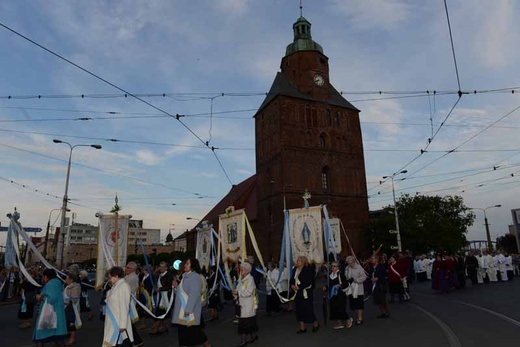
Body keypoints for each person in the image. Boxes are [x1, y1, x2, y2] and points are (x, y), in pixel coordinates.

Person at [172, 258, 212, 347]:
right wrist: (175, 287)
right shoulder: (184, 276)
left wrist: (188, 309)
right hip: (182, 309)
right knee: (184, 332)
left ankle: (207, 345)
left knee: (193, 332)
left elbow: (194, 294)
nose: (185, 265)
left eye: (187, 263)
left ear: (192, 266)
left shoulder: (195, 277)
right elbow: (181, 292)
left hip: (189, 311)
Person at [33, 269, 68, 346]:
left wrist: (40, 297)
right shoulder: (57, 283)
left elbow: (51, 299)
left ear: (46, 276)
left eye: (43, 276)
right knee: (57, 337)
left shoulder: (51, 284)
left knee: (43, 333)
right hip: (57, 312)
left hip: (50, 312)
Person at [102, 266, 134, 346]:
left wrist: (123, 325)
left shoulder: (124, 286)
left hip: (117, 321)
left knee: (110, 342)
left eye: (110, 277)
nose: (109, 279)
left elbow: (124, 306)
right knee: (114, 342)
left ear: (116, 276)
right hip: (112, 319)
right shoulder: (116, 286)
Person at [290, 256, 319, 333]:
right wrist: (292, 285)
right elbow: (292, 279)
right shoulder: (294, 269)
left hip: (306, 293)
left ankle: (315, 323)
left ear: (303, 262)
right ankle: (303, 327)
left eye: (299, 260)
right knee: (298, 310)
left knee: (308, 309)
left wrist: (299, 287)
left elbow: (309, 281)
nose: (297, 262)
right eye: (297, 260)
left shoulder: (307, 270)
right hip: (297, 293)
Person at [233, 262, 259, 347]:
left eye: (242, 269)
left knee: (245, 324)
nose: (241, 271)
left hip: (247, 305)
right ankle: (249, 338)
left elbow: (249, 292)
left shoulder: (250, 279)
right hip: (241, 304)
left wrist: (238, 293)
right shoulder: (241, 279)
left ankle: (244, 341)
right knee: (246, 324)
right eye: (240, 269)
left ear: (247, 271)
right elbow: (238, 289)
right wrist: (235, 293)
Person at [324, 261, 353, 330]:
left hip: (340, 295)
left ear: (338, 267)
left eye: (335, 266)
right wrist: (326, 288)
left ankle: (348, 319)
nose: (333, 267)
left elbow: (346, 284)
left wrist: (340, 285)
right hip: (332, 295)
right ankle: (339, 322)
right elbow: (329, 285)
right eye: (332, 266)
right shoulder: (330, 275)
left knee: (341, 308)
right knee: (334, 309)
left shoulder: (341, 274)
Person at [151, 261, 173, 335]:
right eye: (160, 266)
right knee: (161, 312)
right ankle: (164, 327)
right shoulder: (159, 275)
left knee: (161, 312)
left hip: (165, 297)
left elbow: (169, 286)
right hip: (160, 296)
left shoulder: (168, 275)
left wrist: (160, 289)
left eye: (163, 267)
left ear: (166, 268)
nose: (161, 268)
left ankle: (156, 328)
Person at [344, 255, 367, 325]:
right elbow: (345, 276)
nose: (349, 264)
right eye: (348, 263)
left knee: (359, 304)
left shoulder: (359, 267)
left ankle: (360, 318)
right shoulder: (347, 268)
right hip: (351, 289)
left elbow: (364, 277)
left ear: (354, 261)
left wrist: (356, 280)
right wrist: (347, 280)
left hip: (358, 288)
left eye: (350, 263)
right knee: (353, 305)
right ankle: (357, 316)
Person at [125, 262, 143, 347]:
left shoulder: (133, 278)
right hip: (126, 301)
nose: (126, 269)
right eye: (126, 267)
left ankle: (137, 340)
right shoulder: (127, 277)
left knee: (128, 323)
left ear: (133, 269)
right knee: (127, 323)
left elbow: (130, 291)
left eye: (128, 268)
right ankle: (136, 340)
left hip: (129, 302)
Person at [63, 273, 82, 346]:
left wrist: (67, 301)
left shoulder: (75, 287)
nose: (65, 279)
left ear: (71, 279)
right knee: (68, 322)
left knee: (72, 322)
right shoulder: (66, 286)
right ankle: (69, 336)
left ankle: (72, 339)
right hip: (66, 306)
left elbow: (75, 298)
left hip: (72, 307)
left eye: (67, 278)